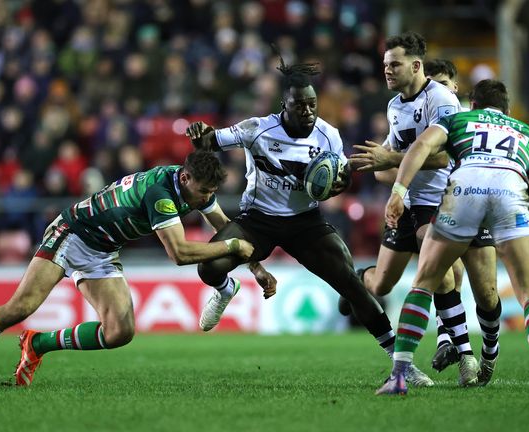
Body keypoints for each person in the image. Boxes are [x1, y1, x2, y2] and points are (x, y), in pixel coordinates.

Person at [0, 150, 273, 389]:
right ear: (185, 178)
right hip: (72, 233)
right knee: (20, 308)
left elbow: (223, 226)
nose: (205, 199)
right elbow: (179, 253)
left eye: (211, 193)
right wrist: (230, 247)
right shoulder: (161, 193)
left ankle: (37, 343)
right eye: (203, 192)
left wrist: (255, 268)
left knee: (120, 331)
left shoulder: (195, 189)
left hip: (101, 249)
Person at [185, 53, 434, 388]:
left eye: (312, 104)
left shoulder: (328, 135)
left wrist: (338, 184)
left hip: (305, 222)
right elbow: (210, 140)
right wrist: (199, 132)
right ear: (283, 105)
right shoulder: (257, 129)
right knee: (208, 268)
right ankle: (225, 288)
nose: (308, 111)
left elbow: (338, 180)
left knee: (351, 284)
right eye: (299, 105)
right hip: (257, 219)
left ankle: (401, 365)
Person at [378, 79, 529, 399]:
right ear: (508, 110)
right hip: (509, 196)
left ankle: (400, 375)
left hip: (464, 192)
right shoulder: (525, 132)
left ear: (472, 104)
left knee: (424, 283)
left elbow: (421, 147)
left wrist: (399, 191)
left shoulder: (458, 119)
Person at [346, 33, 480, 387]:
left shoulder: (442, 99)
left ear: (416, 65)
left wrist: (390, 159)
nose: (387, 70)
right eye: (385, 64)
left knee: (443, 272)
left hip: (438, 202)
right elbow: (393, 157)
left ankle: (465, 355)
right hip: (403, 204)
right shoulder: (394, 106)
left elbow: (444, 155)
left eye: (395, 64)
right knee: (380, 285)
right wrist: (370, 164)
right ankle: (355, 282)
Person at [423, 59, 502, 383]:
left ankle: (488, 353)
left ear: (455, 88)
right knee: (448, 274)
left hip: (472, 202)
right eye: (431, 84)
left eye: (442, 83)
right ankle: (458, 348)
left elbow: (446, 156)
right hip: (432, 205)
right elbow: (395, 163)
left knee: (487, 293)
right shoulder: (422, 118)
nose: (436, 90)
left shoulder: (469, 121)